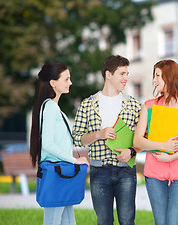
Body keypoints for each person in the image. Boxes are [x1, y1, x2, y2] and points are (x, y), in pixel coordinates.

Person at [72, 55, 141, 225]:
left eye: (127, 73)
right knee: (104, 221)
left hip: (126, 170)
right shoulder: (88, 104)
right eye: (122, 73)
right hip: (99, 171)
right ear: (108, 75)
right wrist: (99, 134)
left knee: (127, 220)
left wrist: (131, 152)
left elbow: (144, 138)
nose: (126, 78)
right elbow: (77, 138)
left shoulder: (133, 104)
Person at [133, 59, 178, 225]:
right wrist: (162, 146)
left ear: (169, 77)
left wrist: (172, 156)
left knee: (173, 222)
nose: (154, 80)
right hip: (154, 172)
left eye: (157, 75)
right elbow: (137, 140)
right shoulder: (149, 106)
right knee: (161, 222)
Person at [30, 61, 89, 225]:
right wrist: (75, 160)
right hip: (57, 173)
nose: (70, 82)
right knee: (53, 221)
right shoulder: (50, 107)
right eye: (66, 79)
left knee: (69, 222)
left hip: (61, 174)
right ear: (53, 83)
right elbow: (47, 144)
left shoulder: (54, 108)